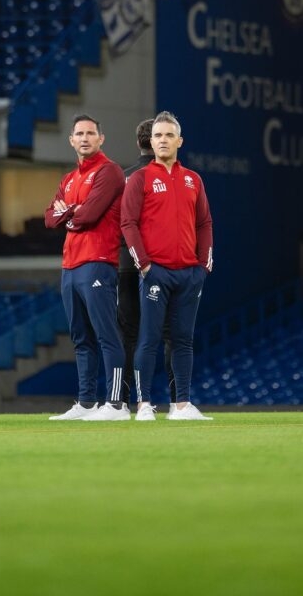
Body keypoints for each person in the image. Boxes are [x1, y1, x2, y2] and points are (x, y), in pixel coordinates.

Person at [121, 110, 214, 421]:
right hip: (155, 272)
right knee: (149, 338)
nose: (162, 140)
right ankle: (144, 404)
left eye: (168, 135)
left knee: (183, 339)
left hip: (189, 274)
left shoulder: (193, 180)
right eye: (157, 135)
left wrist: (203, 265)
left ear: (179, 141)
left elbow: (204, 223)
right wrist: (144, 265)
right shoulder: (139, 178)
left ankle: (182, 405)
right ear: (151, 140)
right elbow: (128, 223)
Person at [44, 113, 130, 421]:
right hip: (70, 266)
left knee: (107, 335)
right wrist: (72, 212)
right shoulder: (68, 179)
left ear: (100, 138)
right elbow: (48, 218)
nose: (84, 138)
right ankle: (86, 403)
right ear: (71, 140)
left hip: (98, 262)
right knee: (81, 338)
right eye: (79, 133)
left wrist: (69, 212)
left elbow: (89, 216)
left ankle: (117, 404)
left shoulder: (110, 172)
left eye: (90, 133)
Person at [118, 118, 176, 410]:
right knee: (167, 333)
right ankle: (177, 401)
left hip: (126, 265)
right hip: (160, 265)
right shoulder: (168, 177)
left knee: (129, 334)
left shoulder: (123, 178)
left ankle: (126, 401)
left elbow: (118, 224)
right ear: (153, 141)